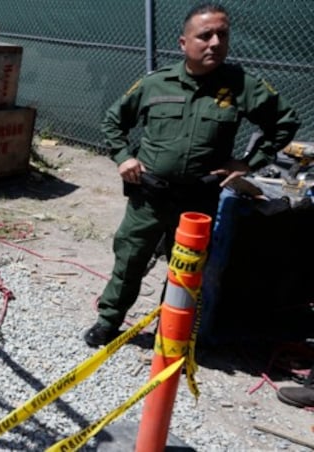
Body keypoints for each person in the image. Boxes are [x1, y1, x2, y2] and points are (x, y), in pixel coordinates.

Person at [83, 2, 301, 347]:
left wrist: (248, 162)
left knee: (184, 271)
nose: (215, 42)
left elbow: (285, 123)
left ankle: (169, 334)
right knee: (130, 259)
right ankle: (109, 321)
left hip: (198, 200)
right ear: (184, 43)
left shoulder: (242, 86)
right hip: (150, 195)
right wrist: (124, 157)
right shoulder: (156, 83)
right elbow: (114, 120)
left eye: (222, 35)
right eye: (205, 35)